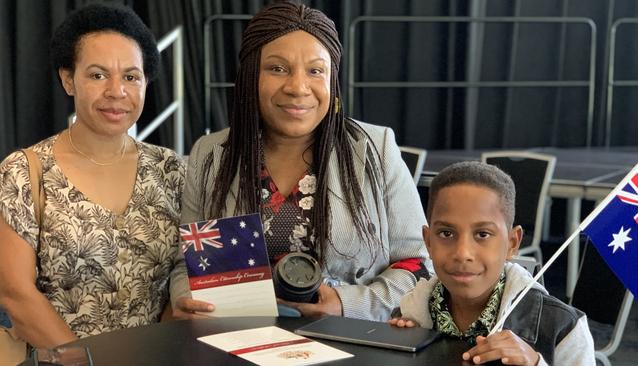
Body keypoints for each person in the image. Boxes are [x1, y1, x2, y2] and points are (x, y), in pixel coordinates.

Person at [170, 1, 432, 321]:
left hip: (351, 341)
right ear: (252, 76)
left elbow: (418, 265)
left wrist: (349, 303)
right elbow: (190, 264)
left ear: (331, 81)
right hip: (242, 339)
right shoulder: (211, 155)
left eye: (315, 70)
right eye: (277, 68)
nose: (297, 87)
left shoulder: (376, 148)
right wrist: (187, 299)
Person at [0, 3, 185, 350]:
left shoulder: (172, 170)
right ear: (68, 79)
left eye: (131, 76)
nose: (117, 91)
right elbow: (16, 295)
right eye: (98, 75)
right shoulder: (24, 173)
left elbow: (186, 276)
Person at [389, 161, 595, 365]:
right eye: (446, 233)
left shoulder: (562, 328)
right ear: (428, 241)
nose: (463, 253)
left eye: (482, 234)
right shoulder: (409, 313)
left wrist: (536, 363)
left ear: (512, 243)